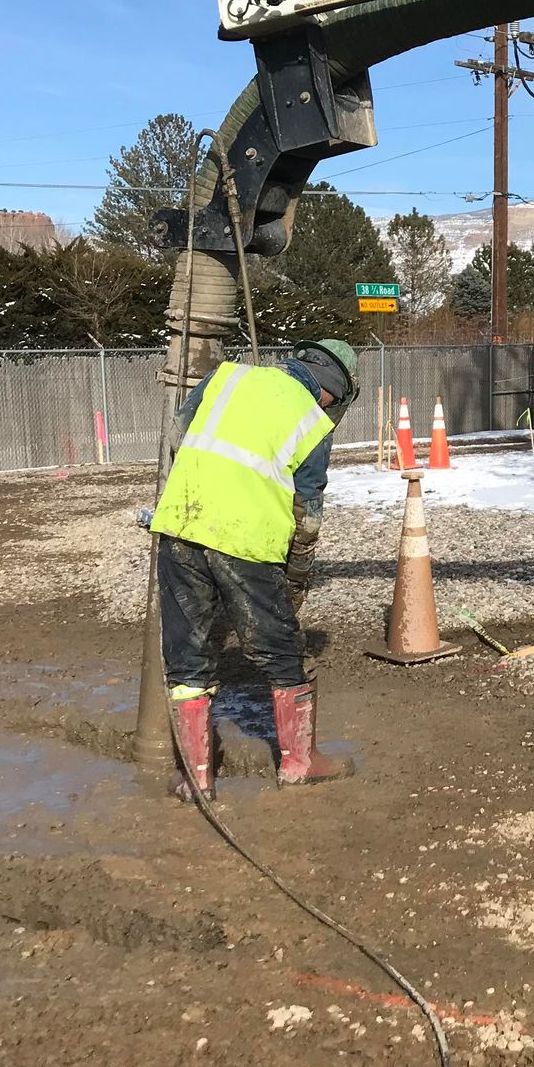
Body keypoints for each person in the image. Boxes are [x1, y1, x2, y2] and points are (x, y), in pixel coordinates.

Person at [150, 338, 360, 799]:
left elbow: (179, 435)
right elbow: (306, 516)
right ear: (333, 392)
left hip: (180, 524)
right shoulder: (313, 421)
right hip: (246, 540)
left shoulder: (226, 376)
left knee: (186, 655)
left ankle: (196, 778)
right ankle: (299, 763)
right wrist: (296, 580)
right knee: (282, 650)